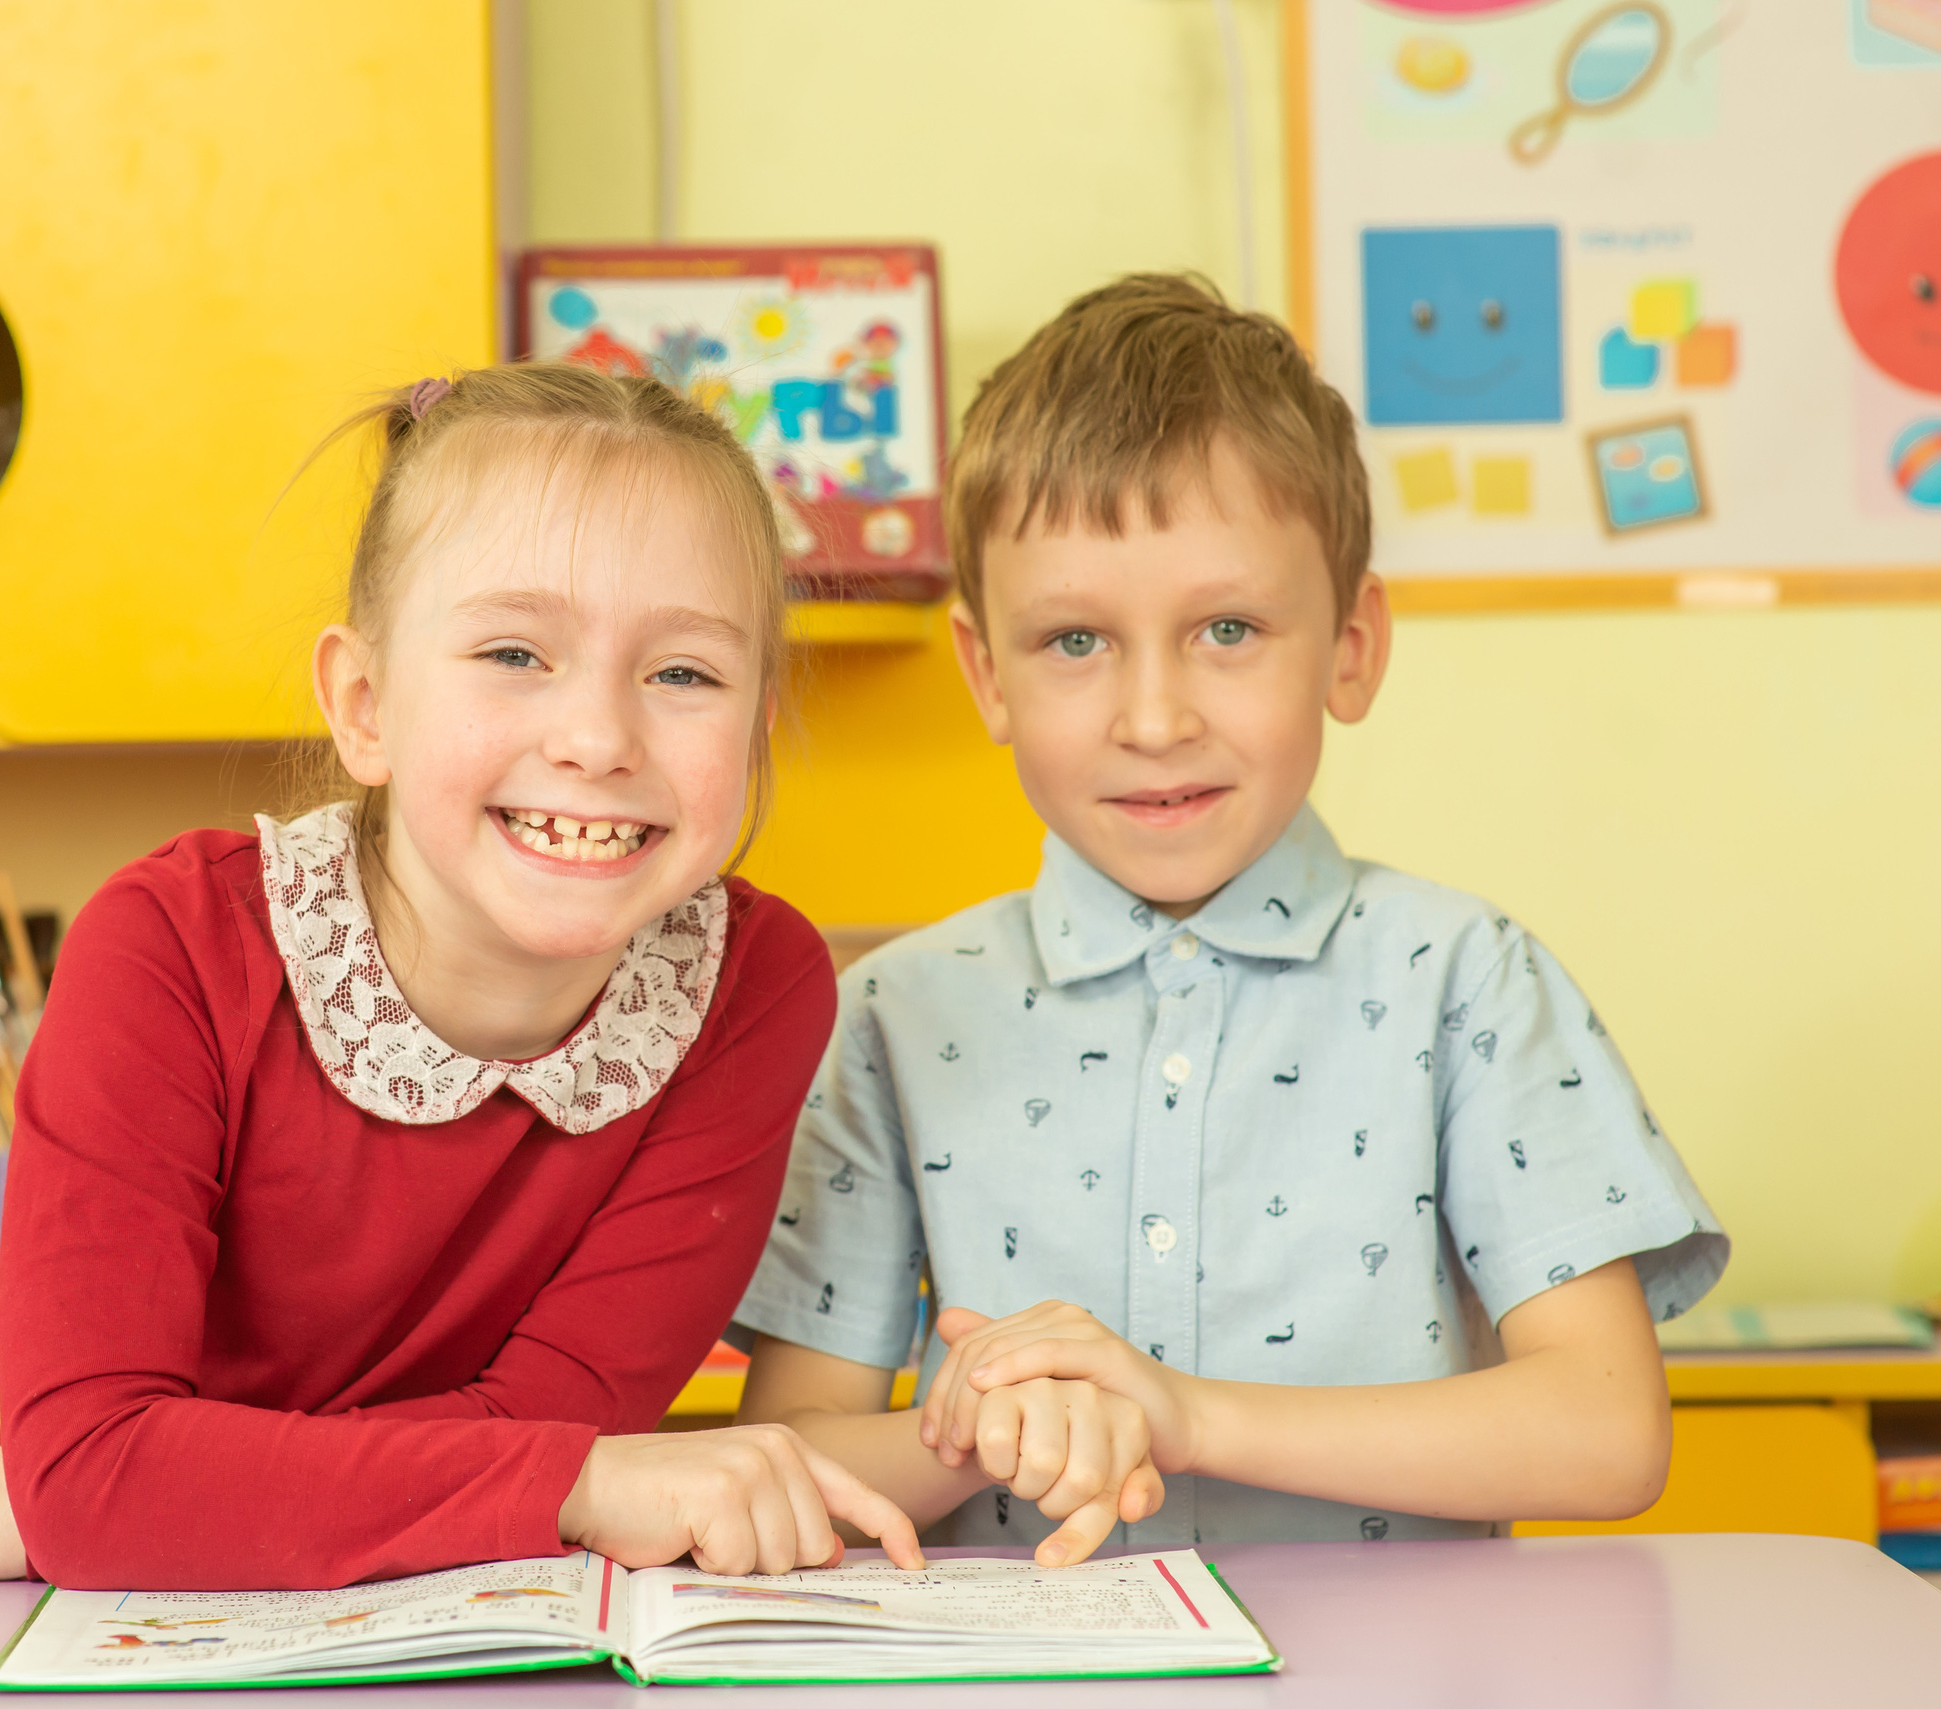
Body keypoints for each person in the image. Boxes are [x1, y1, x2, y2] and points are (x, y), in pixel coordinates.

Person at [0, 362, 940, 1589]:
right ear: (363, 702)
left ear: (759, 726)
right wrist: (91, 1492)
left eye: (684, 673)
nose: (599, 738)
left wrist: (84, 1499)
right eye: (512, 652)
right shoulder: (167, 946)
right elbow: (540, 1473)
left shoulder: (755, 988)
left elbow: (538, 1428)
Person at [732, 273, 1728, 1560]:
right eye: (1075, 642)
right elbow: (791, 1452)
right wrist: (1009, 1419)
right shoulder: (890, 1015)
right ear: (987, 674)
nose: (1154, 718)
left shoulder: (1466, 979)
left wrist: (1184, 1415)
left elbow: (1605, 1432)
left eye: (1226, 627)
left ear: (1350, 647)